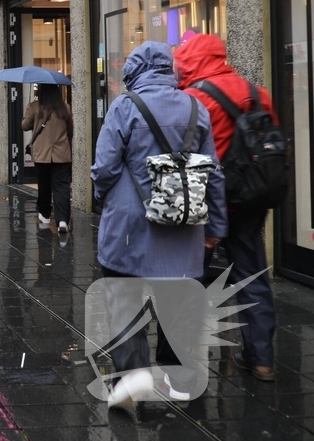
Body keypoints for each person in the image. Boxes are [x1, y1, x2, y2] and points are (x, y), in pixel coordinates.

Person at [91, 41, 228, 409]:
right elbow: (213, 173)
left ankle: (132, 376)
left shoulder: (125, 107)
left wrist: (104, 198)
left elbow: (104, 167)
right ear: (170, 69)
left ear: (133, 71)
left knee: (124, 299)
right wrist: (216, 225)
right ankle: (180, 379)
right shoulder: (196, 107)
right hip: (183, 226)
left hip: (129, 226)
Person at [175, 33, 278, 382]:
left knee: (192, 277)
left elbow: (186, 151)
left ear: (190, 60)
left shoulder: (195, 98)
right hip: (251, 197)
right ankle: (261, 359)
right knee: (252, 275)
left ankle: (186, 355)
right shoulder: (258, 93)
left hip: (209, 201)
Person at [22, 83, 73, 233]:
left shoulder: (34, 106)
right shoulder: (65, 108)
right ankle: (62, 220)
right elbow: (70, 130)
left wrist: (28, 113)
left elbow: (24, 126)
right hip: (61, 153)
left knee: (44, 185)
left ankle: (44, 214)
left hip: (41, 154)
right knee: (62, 186)